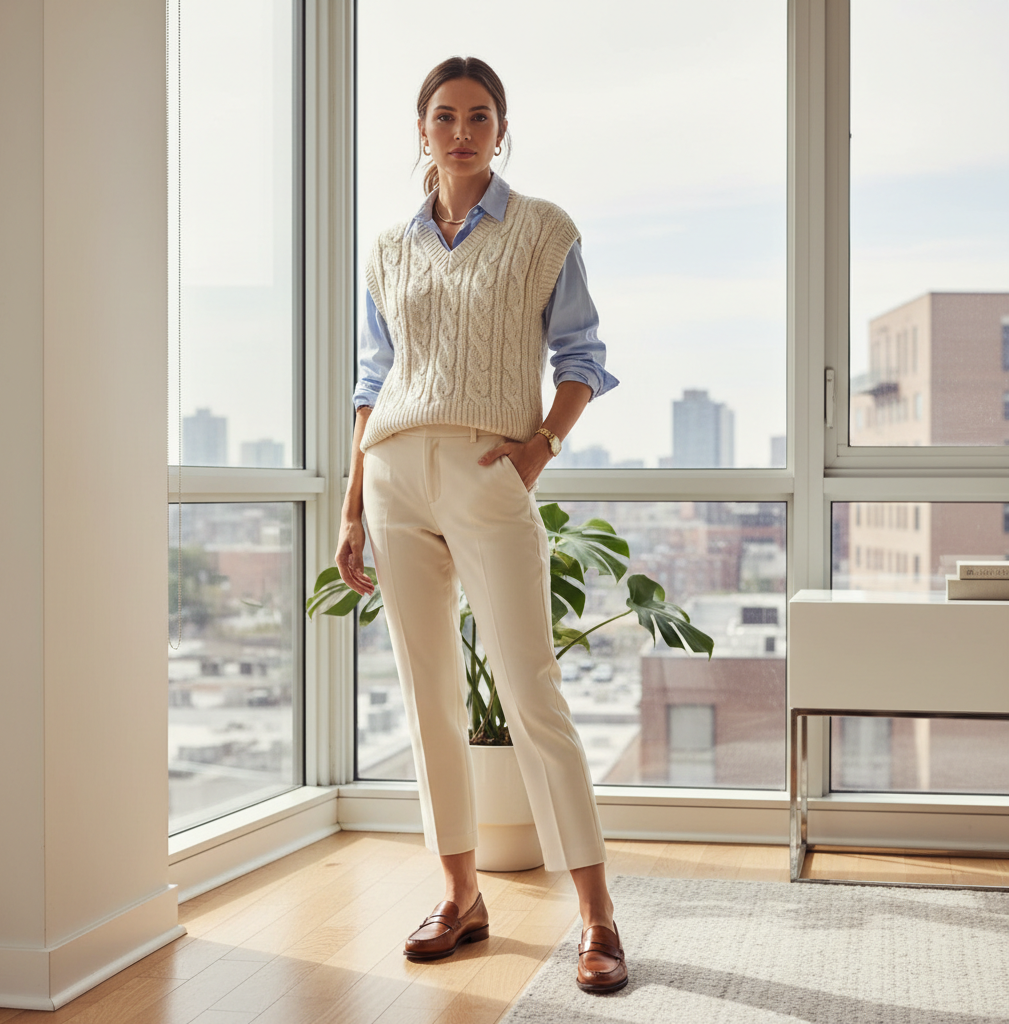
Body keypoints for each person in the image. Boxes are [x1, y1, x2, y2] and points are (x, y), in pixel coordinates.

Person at [336, 55, 626, 994]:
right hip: (392, 475)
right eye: (445, 115)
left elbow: (582, 354)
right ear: (420, 128)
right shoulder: (385, 247)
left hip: (486, 469)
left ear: (503, 129)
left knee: (532, 691)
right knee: (428, 700)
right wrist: (352, 510)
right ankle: (461, 899)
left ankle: (597, 918)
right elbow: (371, 386)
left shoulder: (542, 231)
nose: (462, 130)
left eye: (480, 115)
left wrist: (541, 445)